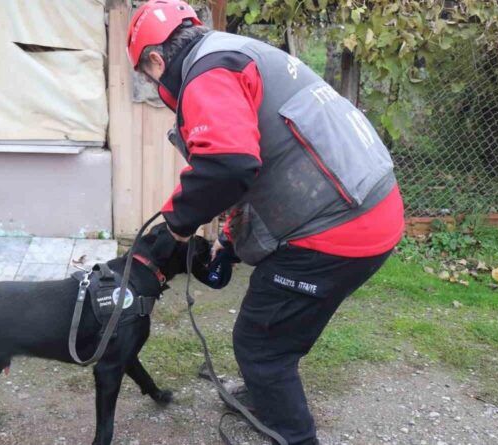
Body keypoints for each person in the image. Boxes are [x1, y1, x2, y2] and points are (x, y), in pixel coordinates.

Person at [127, 1, 405, 444]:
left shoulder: (205, 76)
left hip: (342, 228)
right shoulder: (232, 52)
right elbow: (272, 161)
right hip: (367, 206)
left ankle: (293, 433)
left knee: (261, 343)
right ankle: (266, 393)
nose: (153, 85)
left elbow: (229, 166)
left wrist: (179, 223)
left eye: (147, 76)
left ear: (156, 60)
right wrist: (234, 242)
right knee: (279, 326)